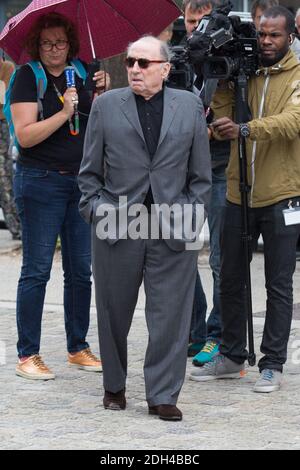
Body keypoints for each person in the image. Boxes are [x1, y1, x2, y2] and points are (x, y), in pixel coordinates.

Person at [78, 36, 211, 420]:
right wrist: (99, 212)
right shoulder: (105, 105)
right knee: (113, 310)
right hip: (118, 222)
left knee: (172, 314)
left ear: (165, 69)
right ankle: (114, 387)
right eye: (131, 61)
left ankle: (163, 394)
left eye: (144, 63)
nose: (134, 69)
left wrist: (191, 214)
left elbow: (201, 176)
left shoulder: (189, 105)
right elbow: (89, 174)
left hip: (173, 224)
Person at [190, 6, 300, 393]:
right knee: (231, 278)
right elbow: (224, 119)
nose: (266, 41)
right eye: (262, 34)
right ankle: (233, 355)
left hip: (283, 194)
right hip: (238, 190)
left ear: (290, 36)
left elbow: (293, 121)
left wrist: (246, 128)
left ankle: (272, 363)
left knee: (278, 283)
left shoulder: (298, 74)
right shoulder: (245, 70)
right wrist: (222, 95)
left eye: (274, 35)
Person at [11, 12, 110, 380]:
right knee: (37, 270)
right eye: (47, 43)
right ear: (38, 45)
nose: (54, 50)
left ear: (71, 44)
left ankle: (77, 346)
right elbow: (25, 136)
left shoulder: (83, 72)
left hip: (80, 183)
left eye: (61, 43)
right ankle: (28, 354)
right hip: (40, 181)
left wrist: (100, 92)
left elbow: (95, 124)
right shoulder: (27, 76)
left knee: (81, 271)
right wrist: (64, 111)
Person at [183, 0, 227, 364]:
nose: (197, 29)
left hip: (221, 167)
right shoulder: (175, 63)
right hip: (184, 170)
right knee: (182, 254)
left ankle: (217, 335)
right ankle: (195, 332)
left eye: (202, 22)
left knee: (219, 259)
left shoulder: (226, 62)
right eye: (190, 21)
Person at [0, 56, 21, 240]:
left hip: (3, 127)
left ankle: (16, 225)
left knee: (4, 176)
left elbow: (3, 98)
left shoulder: (7, 67)